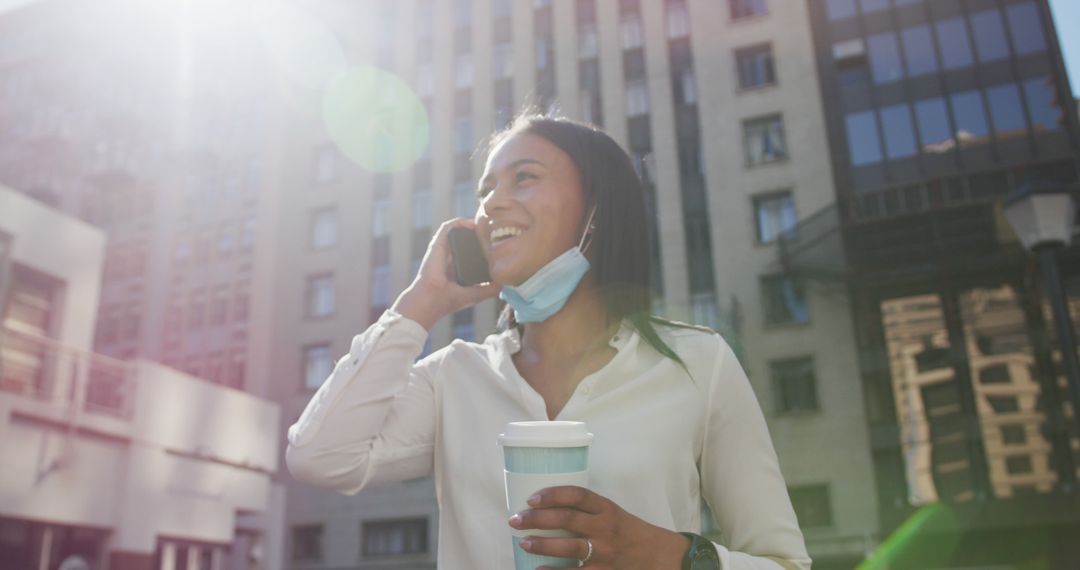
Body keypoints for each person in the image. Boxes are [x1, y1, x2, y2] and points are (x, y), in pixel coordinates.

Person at [286, 114, 811, 569]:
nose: (493, 204)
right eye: (486, 190)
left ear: (596, 209)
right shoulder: (455, 376)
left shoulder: (700, 364)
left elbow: (784, 563)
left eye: (524, 178)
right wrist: (422, 300)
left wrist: (676, 558)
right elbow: (321, 456)